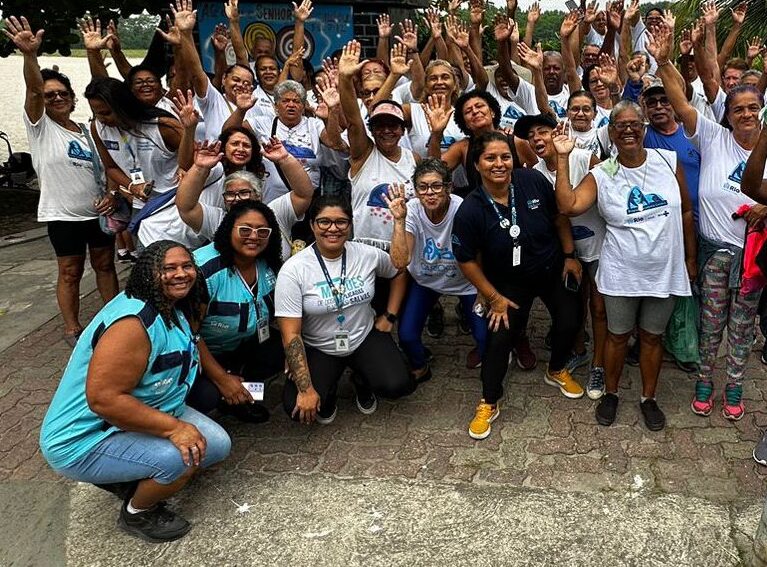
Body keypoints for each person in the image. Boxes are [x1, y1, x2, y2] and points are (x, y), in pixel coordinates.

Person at [39, 240, 231, 543]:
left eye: (186, 266)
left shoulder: (169, 305)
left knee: (217, 445)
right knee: (183, 458)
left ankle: (131, 474)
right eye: (168, 268)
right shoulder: (133, 322)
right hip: (85, 437)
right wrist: (174, 428)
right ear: (147, 273)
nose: (180, 274)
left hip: (136, 414)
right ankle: (138, 511)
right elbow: (104, 399)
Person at [554, 100, 696, 431]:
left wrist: (690, 258)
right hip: (620, 273)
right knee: (617, 337)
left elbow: (686, 211)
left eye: (635, 124)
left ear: (644, 129)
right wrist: (561, 157)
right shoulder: (602, 174)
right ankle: (612, 393)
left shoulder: (668, 161)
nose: (629, 129)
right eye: (621, 125)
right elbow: (568, 205)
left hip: (665, 271)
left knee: (652, 337)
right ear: (611, 133)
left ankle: (649, 398)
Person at [650, 23, 765, 421]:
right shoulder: (714, 138)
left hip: (753, 256)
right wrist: (664, 60)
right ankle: (705, 379)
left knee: (743, 325)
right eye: (738, 109)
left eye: (753, 108)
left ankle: (734, 385)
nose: (746, 114)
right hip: (716, 252)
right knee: (711, 321)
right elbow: (682, 105)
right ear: (727, 115)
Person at [452, 131, 584, 440]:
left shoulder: (532, 181)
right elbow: (466, 260)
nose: (499, 164)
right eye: (490, 158)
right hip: (507, 284)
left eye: (505, 156)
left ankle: (556, 369)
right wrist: (493, 296)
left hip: (550, 268)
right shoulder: (471, 208)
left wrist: (569, 255)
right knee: (498, 340)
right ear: (477, 164)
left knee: (570, 319)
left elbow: (559, 218)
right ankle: (489, 400)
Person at [5, 15, 118, 346]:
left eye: (62, 93)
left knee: (106, 266)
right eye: (50, 94)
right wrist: (29, 55)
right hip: (62, 215)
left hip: (96, 213)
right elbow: (34, 92)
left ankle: (114, 319)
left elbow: (107, 167)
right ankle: (72, 328)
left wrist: (112, 194)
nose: (56, 98)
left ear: (72, 97)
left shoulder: (86, 130)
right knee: (70, 272)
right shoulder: (40, 128)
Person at [275, 195, 416, 424]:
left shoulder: (365, 253)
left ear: (350, 225)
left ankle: (362, 380)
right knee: (296, 405)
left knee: (399, 384)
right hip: (320, 346)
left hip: (364, 337)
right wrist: (306, 388)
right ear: (312, 225)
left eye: (341, 222)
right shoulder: (294, 270)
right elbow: (290, 333)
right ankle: (327, 392)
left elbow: (399, 269)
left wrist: (390, 315)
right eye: (324, 222)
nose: (333, 228)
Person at [514, 114, 607, 399]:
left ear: (555, 133)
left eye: (543, 132)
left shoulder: (583, 158)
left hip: (599, 245)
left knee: (599, 308)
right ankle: (577, 351)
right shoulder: (535, 173)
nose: (537, 139)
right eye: (531, 136)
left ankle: (599, 365)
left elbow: (607, 191)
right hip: (565, 250)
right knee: (574, 304)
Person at [386, 159, 487, 377]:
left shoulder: (464, 208)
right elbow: (400, 262)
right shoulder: (410, 210)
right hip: (426, 281)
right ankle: (421, 364)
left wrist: (483, 291)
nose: (429, 193)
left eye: (436, 186)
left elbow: (480, 252)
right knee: (407, 336)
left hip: (465, 282)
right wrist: (399, 221)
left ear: (449, 187)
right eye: (422, 187)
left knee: (484, 336)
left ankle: (481, 351)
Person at [189, 202, 285, 423]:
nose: (254, 236)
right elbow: (190, 334)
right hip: (200, 353)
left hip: (241, 343)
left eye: (262, 231)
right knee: (207, 396)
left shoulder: (268, 264)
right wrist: (222, 379)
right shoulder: (204, 270)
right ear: (228, 228)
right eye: (245, 229)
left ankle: (242, 395)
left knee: (281, 350)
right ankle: (214, 397)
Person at [86, 77, 195, 248]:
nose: (101, 119)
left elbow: (195, 160)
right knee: (148, 261)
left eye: (106, 113)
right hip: (143, 205)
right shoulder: (97, 128)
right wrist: (131, 186)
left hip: (176, 202)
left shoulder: (163, 126)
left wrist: (189, 133)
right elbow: (111, 167)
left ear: (123, 106)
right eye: (96, 113)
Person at [176, 136, 314, 260]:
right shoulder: (218, 221)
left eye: (244, 192)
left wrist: (285, 159)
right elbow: (186, 207)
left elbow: (303, 195)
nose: (237, 199)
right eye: (230, 194)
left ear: (258, 195)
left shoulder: (275, 213)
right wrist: (200, 167)